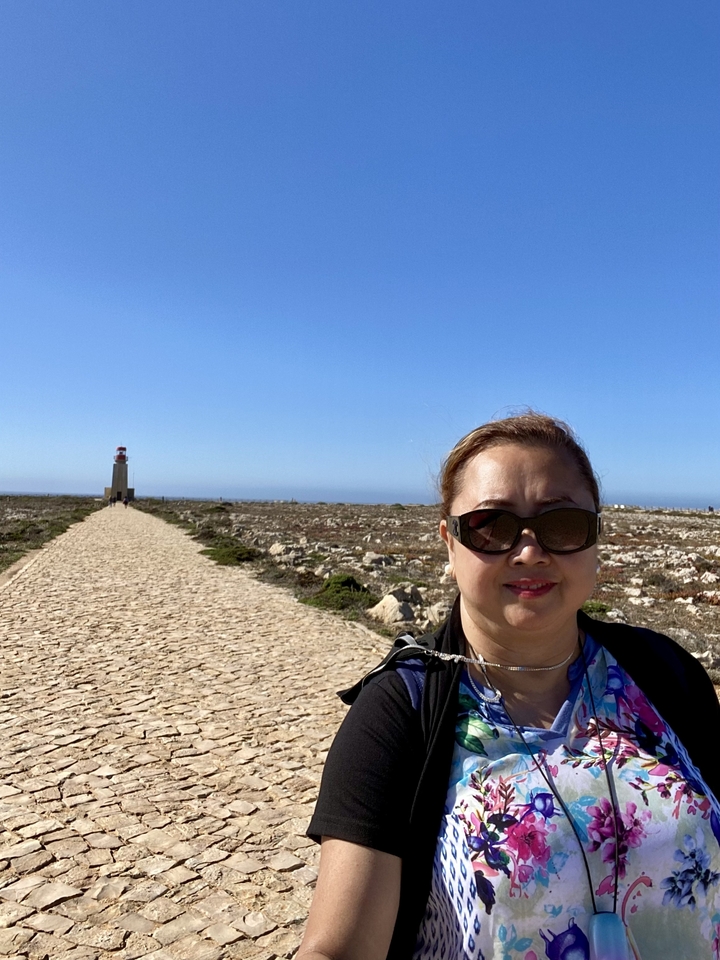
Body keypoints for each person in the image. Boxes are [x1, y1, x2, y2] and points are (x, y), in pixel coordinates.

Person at [298, 413, 720, 960]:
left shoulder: (665, 671)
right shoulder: (401, 709)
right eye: (491, 526)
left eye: (562, 524)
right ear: (450, 543)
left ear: (594, 536)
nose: (529, 551)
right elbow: (340, 946)